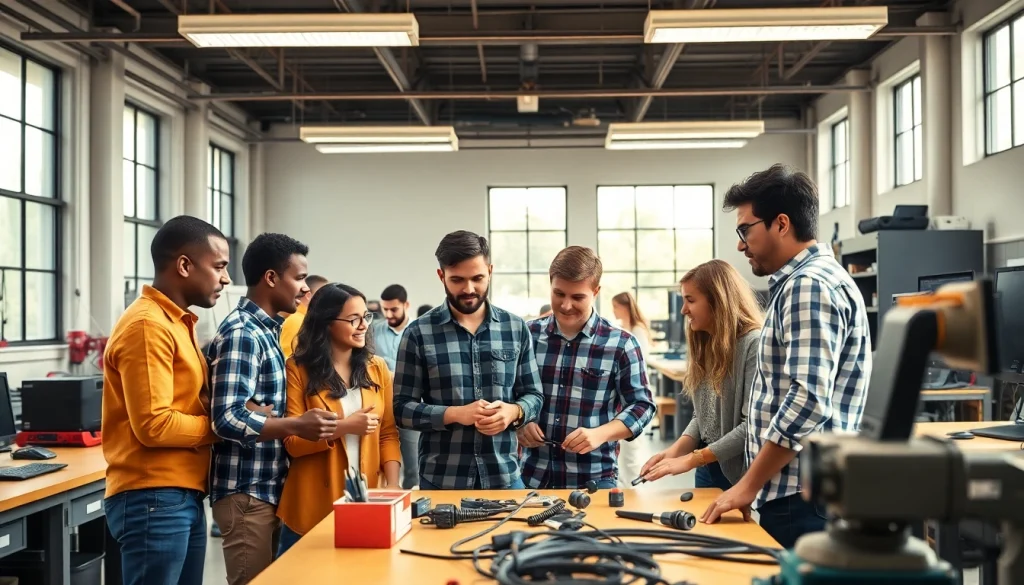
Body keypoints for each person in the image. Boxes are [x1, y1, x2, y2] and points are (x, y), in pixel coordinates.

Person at [701, 164, 871, 549]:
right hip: (801, 491)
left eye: (746, 230)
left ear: (780, 224)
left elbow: (808, 400)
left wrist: (748, 485)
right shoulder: (815, 279)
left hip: (801, 497)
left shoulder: (807, 287)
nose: (741, 244)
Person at [102, 215, 228, 585]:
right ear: (185, 265)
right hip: (153, 497)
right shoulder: (148, 325)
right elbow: (155, 425)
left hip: (178, 494)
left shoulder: (176, 322)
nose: (225, 278)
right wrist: (227, 425)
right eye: (219, 266)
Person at [206, 234, 338, 585]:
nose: (304, 288)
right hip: (247, 491)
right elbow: (228, 417)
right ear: (271, 278)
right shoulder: (243, 334)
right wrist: (294, 425)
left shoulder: (268, 332)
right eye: (299, 278)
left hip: (267, 488)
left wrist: (273, 417)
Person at [393, 230, 544, 489]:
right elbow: (401, 410)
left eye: (478, 278)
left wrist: (514, 411)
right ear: (441, 276)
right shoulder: (418, 333)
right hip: (442, 480)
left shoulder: (515, 328)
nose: (469, 289)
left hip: (505, 477)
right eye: (457, 280)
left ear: (490, 271)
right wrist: (454, 414)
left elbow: (534, 396)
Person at [276, 283, 401, 555]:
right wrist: (342, 428)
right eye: (353, 319)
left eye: (365, 317)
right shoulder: (297, 368)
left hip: (366, 502)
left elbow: (388, 433)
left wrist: (392, 486)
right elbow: (293, 443)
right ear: (326, 323)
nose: (363, 326)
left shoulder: (377, 368)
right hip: (311, 506)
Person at [519, 246, 655, 489]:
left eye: (578, 297)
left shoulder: (621, 344)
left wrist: (600, 434)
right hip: (532, 476)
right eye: (558, 294)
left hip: (595, 478)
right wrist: (519, 421)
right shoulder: (526, 336)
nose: (566, 305)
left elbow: (642, 406)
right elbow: (507, 392)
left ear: (596, 291)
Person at [639, 260, 762, 492]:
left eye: (690, 300)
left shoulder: (753, 344)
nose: (683, 310)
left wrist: (690, 460)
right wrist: (672, 453)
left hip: (736, 472)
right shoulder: (705, 341)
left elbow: (752, 426)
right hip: (707, 466)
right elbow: (704, 416)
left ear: (718, 300)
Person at [374, 284, 420, 489]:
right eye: (385, 309)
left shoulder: (419, 331)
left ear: (406, 305)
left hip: (410, 406)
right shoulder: (373, 331)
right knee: (379, 464)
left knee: (414, 467)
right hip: (380, 407)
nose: (389, 314)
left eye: (394, 309)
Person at [280, 274, 328, 358]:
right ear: (308, 295)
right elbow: (287, 360)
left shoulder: (308, 320)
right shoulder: (296, 321)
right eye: (325, 296)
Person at [611, 292, 652, 361]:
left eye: (615, 306)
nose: (613, 310)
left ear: (625, 307)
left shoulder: (637, 329)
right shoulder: (619, 328)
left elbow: (641, 355)